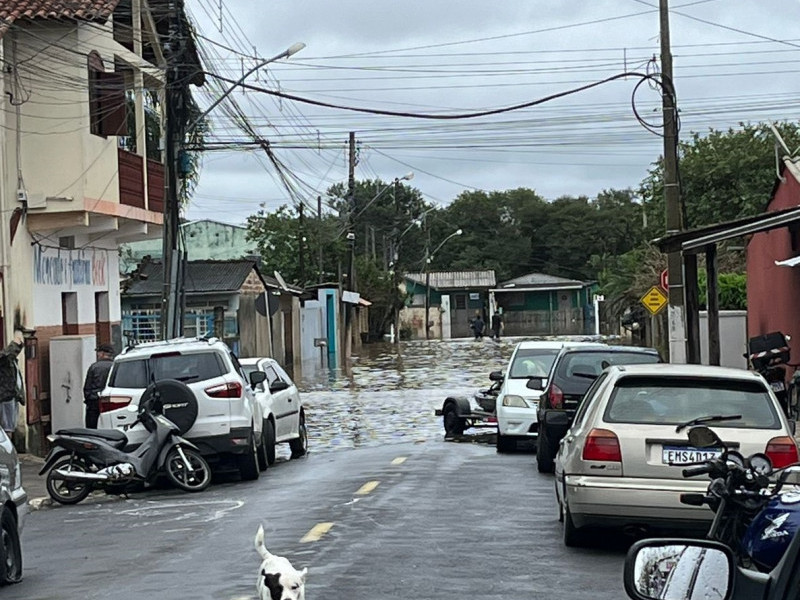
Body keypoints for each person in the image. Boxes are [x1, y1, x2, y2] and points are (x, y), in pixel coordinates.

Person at [83, 343, 115, 429]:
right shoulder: (115, 366)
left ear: (102, 354)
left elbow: (87, 386)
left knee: (92, 426)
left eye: (99, 352)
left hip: (94, 400)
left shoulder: (94, 367)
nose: (97, 355)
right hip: (111, 399)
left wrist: (89, 399)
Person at [0, 330, 25, 438]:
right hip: (6, 396)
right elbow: (8, 353)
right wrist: (16, 342)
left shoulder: (11, 360)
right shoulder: (4, 359)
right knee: (7, 427)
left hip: (12, 396)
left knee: (10, 426)